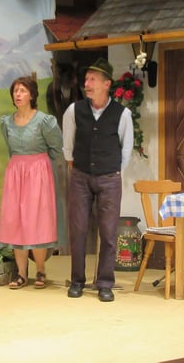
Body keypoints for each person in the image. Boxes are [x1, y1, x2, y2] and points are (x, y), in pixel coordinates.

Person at [62, 58, 133, 302]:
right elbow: (68, 145)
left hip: (109, 179)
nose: (87, 84)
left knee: (109, 232)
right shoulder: (74, 111)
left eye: (92, 79)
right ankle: (77, 281)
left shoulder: (123, 114)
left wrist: (112, 172)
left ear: (106, 84)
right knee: (78, 230)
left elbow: (126, 150)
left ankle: (105, 283)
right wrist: (75, 166)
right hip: (80, 177)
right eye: (86, 79)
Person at [0, 76, 64, 290]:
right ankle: (21, 274)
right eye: (15, 91)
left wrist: (40, 166)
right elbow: (10, 149)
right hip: (15, 173)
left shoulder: (44, 121)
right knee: (15, 221)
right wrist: (20, 166)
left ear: (32, 95)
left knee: (37, 220)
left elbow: (56, 148)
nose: (18, 94)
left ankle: (41, 269)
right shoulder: (7, 122)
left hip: (38, 174)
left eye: (23, 90)